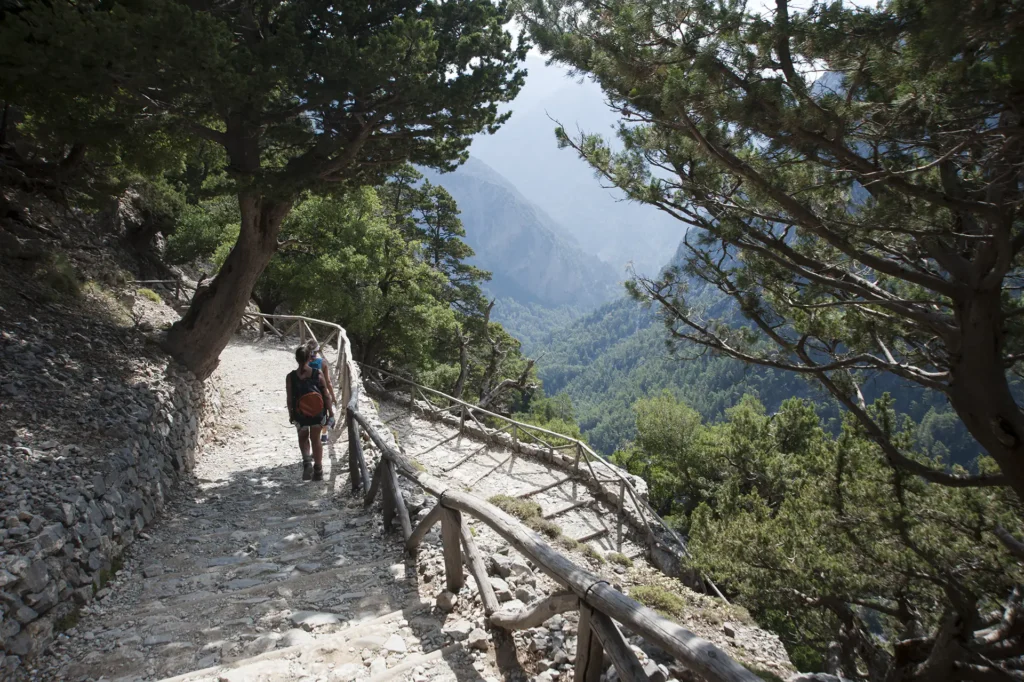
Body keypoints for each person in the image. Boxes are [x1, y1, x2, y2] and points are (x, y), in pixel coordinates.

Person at [286, 345, 333, 481]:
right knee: (316, 439)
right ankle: (318, 470)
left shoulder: (291, 377)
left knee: (303, 436)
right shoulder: (317, 373)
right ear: (309, 358)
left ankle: (307, 462)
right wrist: (330, 412)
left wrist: (291, 414)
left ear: (296, 359)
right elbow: (325, 394)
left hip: (301, 413)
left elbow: (289, 399)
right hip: (317, 413)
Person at [305, 341, 338, 445]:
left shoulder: (304, 362)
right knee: (326, 414)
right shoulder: (322, 362)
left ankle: (311, 436)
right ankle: (324, 435)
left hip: (307, 392)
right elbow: (328, 382)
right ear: (317, 350)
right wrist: (333, 396)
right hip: (320, 393)